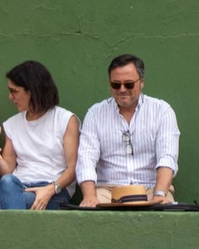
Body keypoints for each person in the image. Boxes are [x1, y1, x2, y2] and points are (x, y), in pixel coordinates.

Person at [76, 54, 180, 207]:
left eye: (129, 84)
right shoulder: (95, 113)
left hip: (150, 188)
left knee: (163, 212)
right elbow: (86, 158)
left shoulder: (162, 111)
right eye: (116, 84)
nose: (122, 89)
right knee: (93, 212)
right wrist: (90, 196)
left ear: (142, 82)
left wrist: (160, 194)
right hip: (108, 189)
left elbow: (167, 156)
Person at [0, 60, 79, 211]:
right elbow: (7, 171)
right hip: (19, 187)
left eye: (14, 91)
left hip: (54, 191)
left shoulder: (65, 119)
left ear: (31, 90)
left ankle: (14, 232)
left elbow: (73, 168)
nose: (10, 97)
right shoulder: (12, 124)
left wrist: (50, 189)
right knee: (6, 182)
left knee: (11, 201)